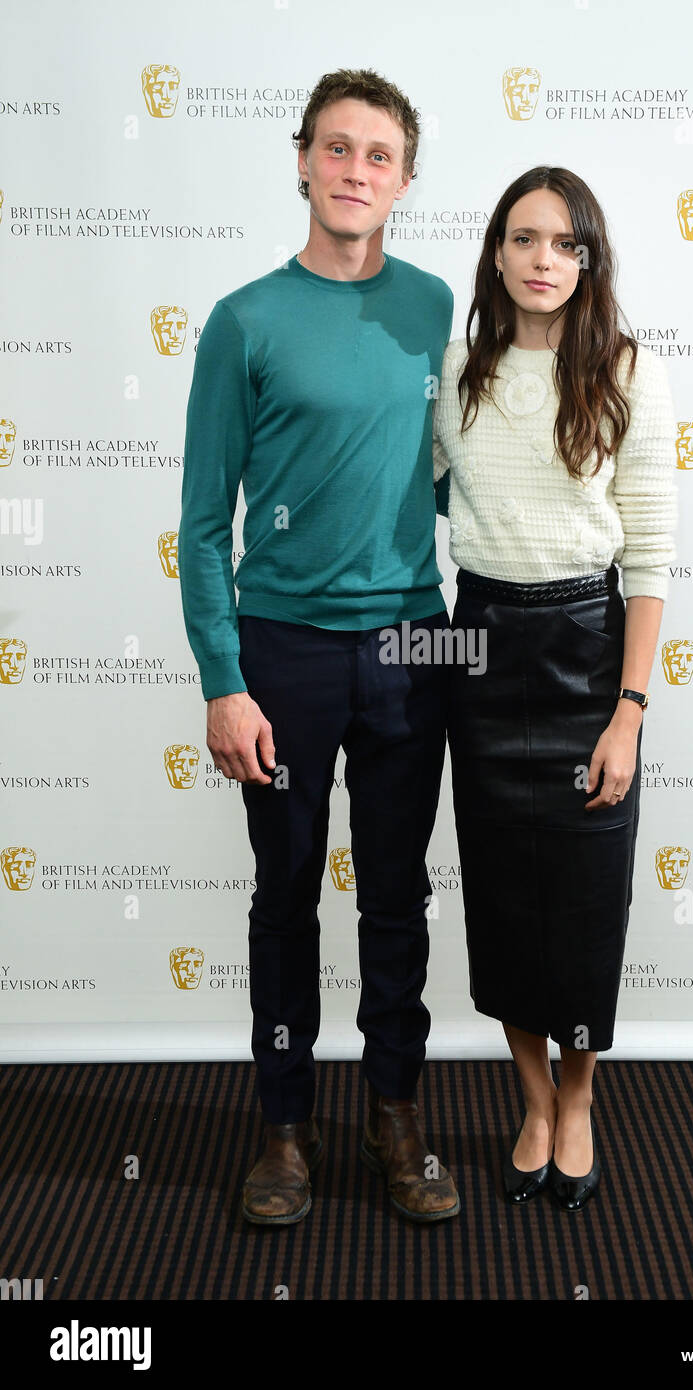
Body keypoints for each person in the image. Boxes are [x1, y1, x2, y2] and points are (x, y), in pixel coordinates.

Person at [177, 68, 460, 1225]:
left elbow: (465, 474)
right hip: (282, 653)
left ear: (403, 178)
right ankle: (284, 1129)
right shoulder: (244, 319)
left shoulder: (438, 305)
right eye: (336, 150)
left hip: (411, 644)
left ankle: (396, 1120)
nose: (355, 172)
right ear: (301, 161)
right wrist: (222, 678)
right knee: (284, 895)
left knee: (396, 898)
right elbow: (202, 522)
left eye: (377, 155)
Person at [433, 166, 678, 1211]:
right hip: (479, 644)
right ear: (495, 252)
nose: (543, 261)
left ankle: (576, 1100)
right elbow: (409, 503)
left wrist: (627, 711)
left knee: (580, 908)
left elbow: (651, 560)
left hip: (586, 649)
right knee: (498, 900)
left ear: (588, 260)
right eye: (525, 239)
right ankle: (529, 1095)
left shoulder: (626, 370)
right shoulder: (452, 370)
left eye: (565, 244)